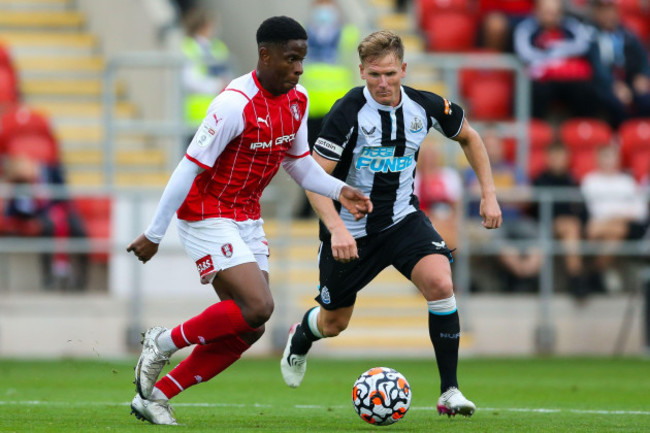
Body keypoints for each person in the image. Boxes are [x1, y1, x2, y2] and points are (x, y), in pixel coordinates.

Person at [126, 16, 372, 426]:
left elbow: (299, 164)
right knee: (259, 306)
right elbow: (186, 169)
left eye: (302, 60)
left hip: (246, 217)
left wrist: (338, 189)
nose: (299, 68)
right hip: (206, 212)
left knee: (250, 327)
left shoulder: (299, 100)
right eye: (291, 59)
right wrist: (154, 233)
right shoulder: (233, 104)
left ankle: (157, 396)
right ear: (265, 54)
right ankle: (163, 342)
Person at [280, 30, 503, 417]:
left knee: (440, 282)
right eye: (373, 75)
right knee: (334, 323)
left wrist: (489, 194)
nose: (382, 83)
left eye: (389, 74)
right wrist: (336, 228)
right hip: (350, 230)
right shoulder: (347, 112)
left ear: (403, 69)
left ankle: (450, 391)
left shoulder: (423, 106)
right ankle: (301, 336)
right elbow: (313, 179)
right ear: (361, 71)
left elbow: (470, 137)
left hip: (402, 219)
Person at [464, 128, 542, 293]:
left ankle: (525, 273)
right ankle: (521, 276)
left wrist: (490, 195)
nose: (491, 150)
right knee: (500, 241)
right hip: (486, 223)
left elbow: (526, 196)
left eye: (495, 145)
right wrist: (509, 195)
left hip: (516, 221)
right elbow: (472, 192)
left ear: (501, 147)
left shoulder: (513, 169)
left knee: (539, 236)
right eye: (487, 146)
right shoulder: (473, 170)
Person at [513, 0, 597, 119]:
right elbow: (524, 53)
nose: (551, 17)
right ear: (537, 12)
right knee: (536, 90)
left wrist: (557, 51)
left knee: (584, 89)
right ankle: (535, 125)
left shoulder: (570, 26)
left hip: (566, 76)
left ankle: (582, 125)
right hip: (541, 78)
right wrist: (550, 58)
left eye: (555, 12)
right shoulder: (526, 28)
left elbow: (583, 45)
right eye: (547, 12)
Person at [581, 145, 648, 290]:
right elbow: (594, 210)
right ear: (597, 159)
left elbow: (640, 210)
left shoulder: (626, 181)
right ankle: (598, 272)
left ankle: (594, 271)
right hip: (600, 225)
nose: (608, 161)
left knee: (615, 231)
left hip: (622, 226)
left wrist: (615, 217)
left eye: (611, 157)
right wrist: (620, 214)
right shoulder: (590, 180)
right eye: (605, 157)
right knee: (608, 231)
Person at [532, 143, 589, 299]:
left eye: (561, 156)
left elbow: (583, 211)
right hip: (546, 227)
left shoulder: (573, 181)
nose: (558, 160)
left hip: (573, 229)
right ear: (548, 158)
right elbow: (535, 212)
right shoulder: (540, 180)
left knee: (572, 227)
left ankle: (583, 277)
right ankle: (576, 278)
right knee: (570, 227)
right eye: (555, 156)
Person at [587, 0, 650, 128]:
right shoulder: (591, 37)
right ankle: (621, 135)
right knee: (616, 103)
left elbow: (642, 57)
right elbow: (597, 67)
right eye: (604, 11)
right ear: (597, 14)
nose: (608, 15)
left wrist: (643, 76)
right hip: (605, 86)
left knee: (645, 99)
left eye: (611, 11)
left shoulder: (628, 35)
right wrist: (613, 85)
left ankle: (642, 135)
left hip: (629, 81)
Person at [181, 8, 233, 132]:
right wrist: (217, 85)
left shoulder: (219, 47)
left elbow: (228, 73)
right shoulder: (188, 46)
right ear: (204, 25)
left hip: (220, 113)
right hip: (196, 116)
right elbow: (190, 80)